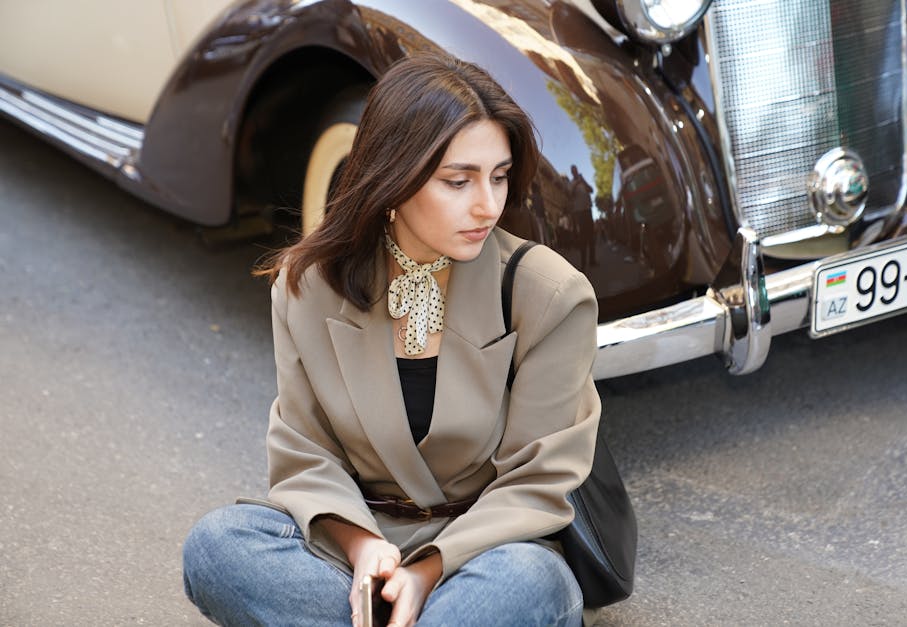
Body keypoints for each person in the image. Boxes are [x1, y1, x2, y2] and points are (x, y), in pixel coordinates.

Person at [182, 53, 601, 627]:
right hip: (354, 551)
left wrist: (426, 569)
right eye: (458, 181)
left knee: (527, 585)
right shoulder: (308, 286)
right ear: (395, 178)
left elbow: (538, 481)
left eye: (499, 176)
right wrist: (363, 548)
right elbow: (306, 455)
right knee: (217, 546)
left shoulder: (551, 295)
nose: (488, 205)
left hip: (489, 552)